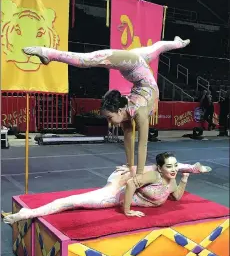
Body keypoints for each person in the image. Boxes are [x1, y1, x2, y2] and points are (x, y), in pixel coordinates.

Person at [23, 36, 190, 182]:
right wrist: (132, 168)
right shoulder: (136, 113)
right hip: (136, 66)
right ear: (120, 111)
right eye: (109, 119)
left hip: (137, 68)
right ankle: (48, 53)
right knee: (90, 59)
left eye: (109, 117)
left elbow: (141, 145)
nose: (109, 123)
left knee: (157, 47)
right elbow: (134, 142)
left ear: (119, 111)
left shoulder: (130, 113)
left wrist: (137, 173)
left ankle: (178, 43)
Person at [3, 152, 211, 224]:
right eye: (170, 166)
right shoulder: (154, 174)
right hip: (116, 190)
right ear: (160, 167)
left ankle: (192, 167)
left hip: (133, 177)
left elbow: (176, 197)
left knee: (148, 170)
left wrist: (185, 179)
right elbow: (130, 184)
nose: (173, 170)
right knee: (70, 202)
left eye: (176, 166)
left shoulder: (171, 178)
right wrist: (127, 210)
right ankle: (26, 214)